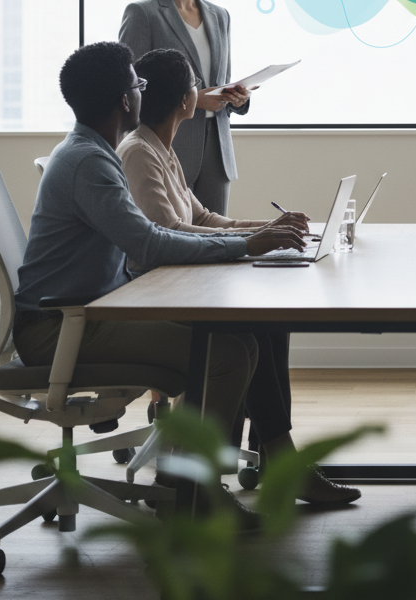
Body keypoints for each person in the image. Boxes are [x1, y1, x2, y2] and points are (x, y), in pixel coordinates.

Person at [12, 42, 305, 527]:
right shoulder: (91, 162)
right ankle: (194, 489)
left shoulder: (91, 151)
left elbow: (176, 226)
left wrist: (253, 238)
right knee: (228, 354)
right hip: (62, 326)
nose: (143, 93)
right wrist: (247, 245)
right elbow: (150, 242)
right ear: (127, 101)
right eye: (138, 85)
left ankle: (184, 480)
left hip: (87, 311)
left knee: (241, 343)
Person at [117, 48, 361, 506]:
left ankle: (276, 458)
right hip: (160, 294)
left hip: (180, 284)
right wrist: (252, 241)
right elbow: (165, 233)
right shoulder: (139, 152)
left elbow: (204, 218)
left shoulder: (159, 148)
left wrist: (264, 228)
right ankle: (269, 462)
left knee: (269, 322)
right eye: (195, 86)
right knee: (249, 326)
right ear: (188, 100)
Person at [119, 0, 247, 217]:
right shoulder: (143, 13)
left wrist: (238, 98)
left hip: (217, 147)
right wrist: (192, 99)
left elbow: (221, 80)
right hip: (167, 143)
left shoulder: (220, 16)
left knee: (217, 242)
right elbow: (129, 86)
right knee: (169, 238)